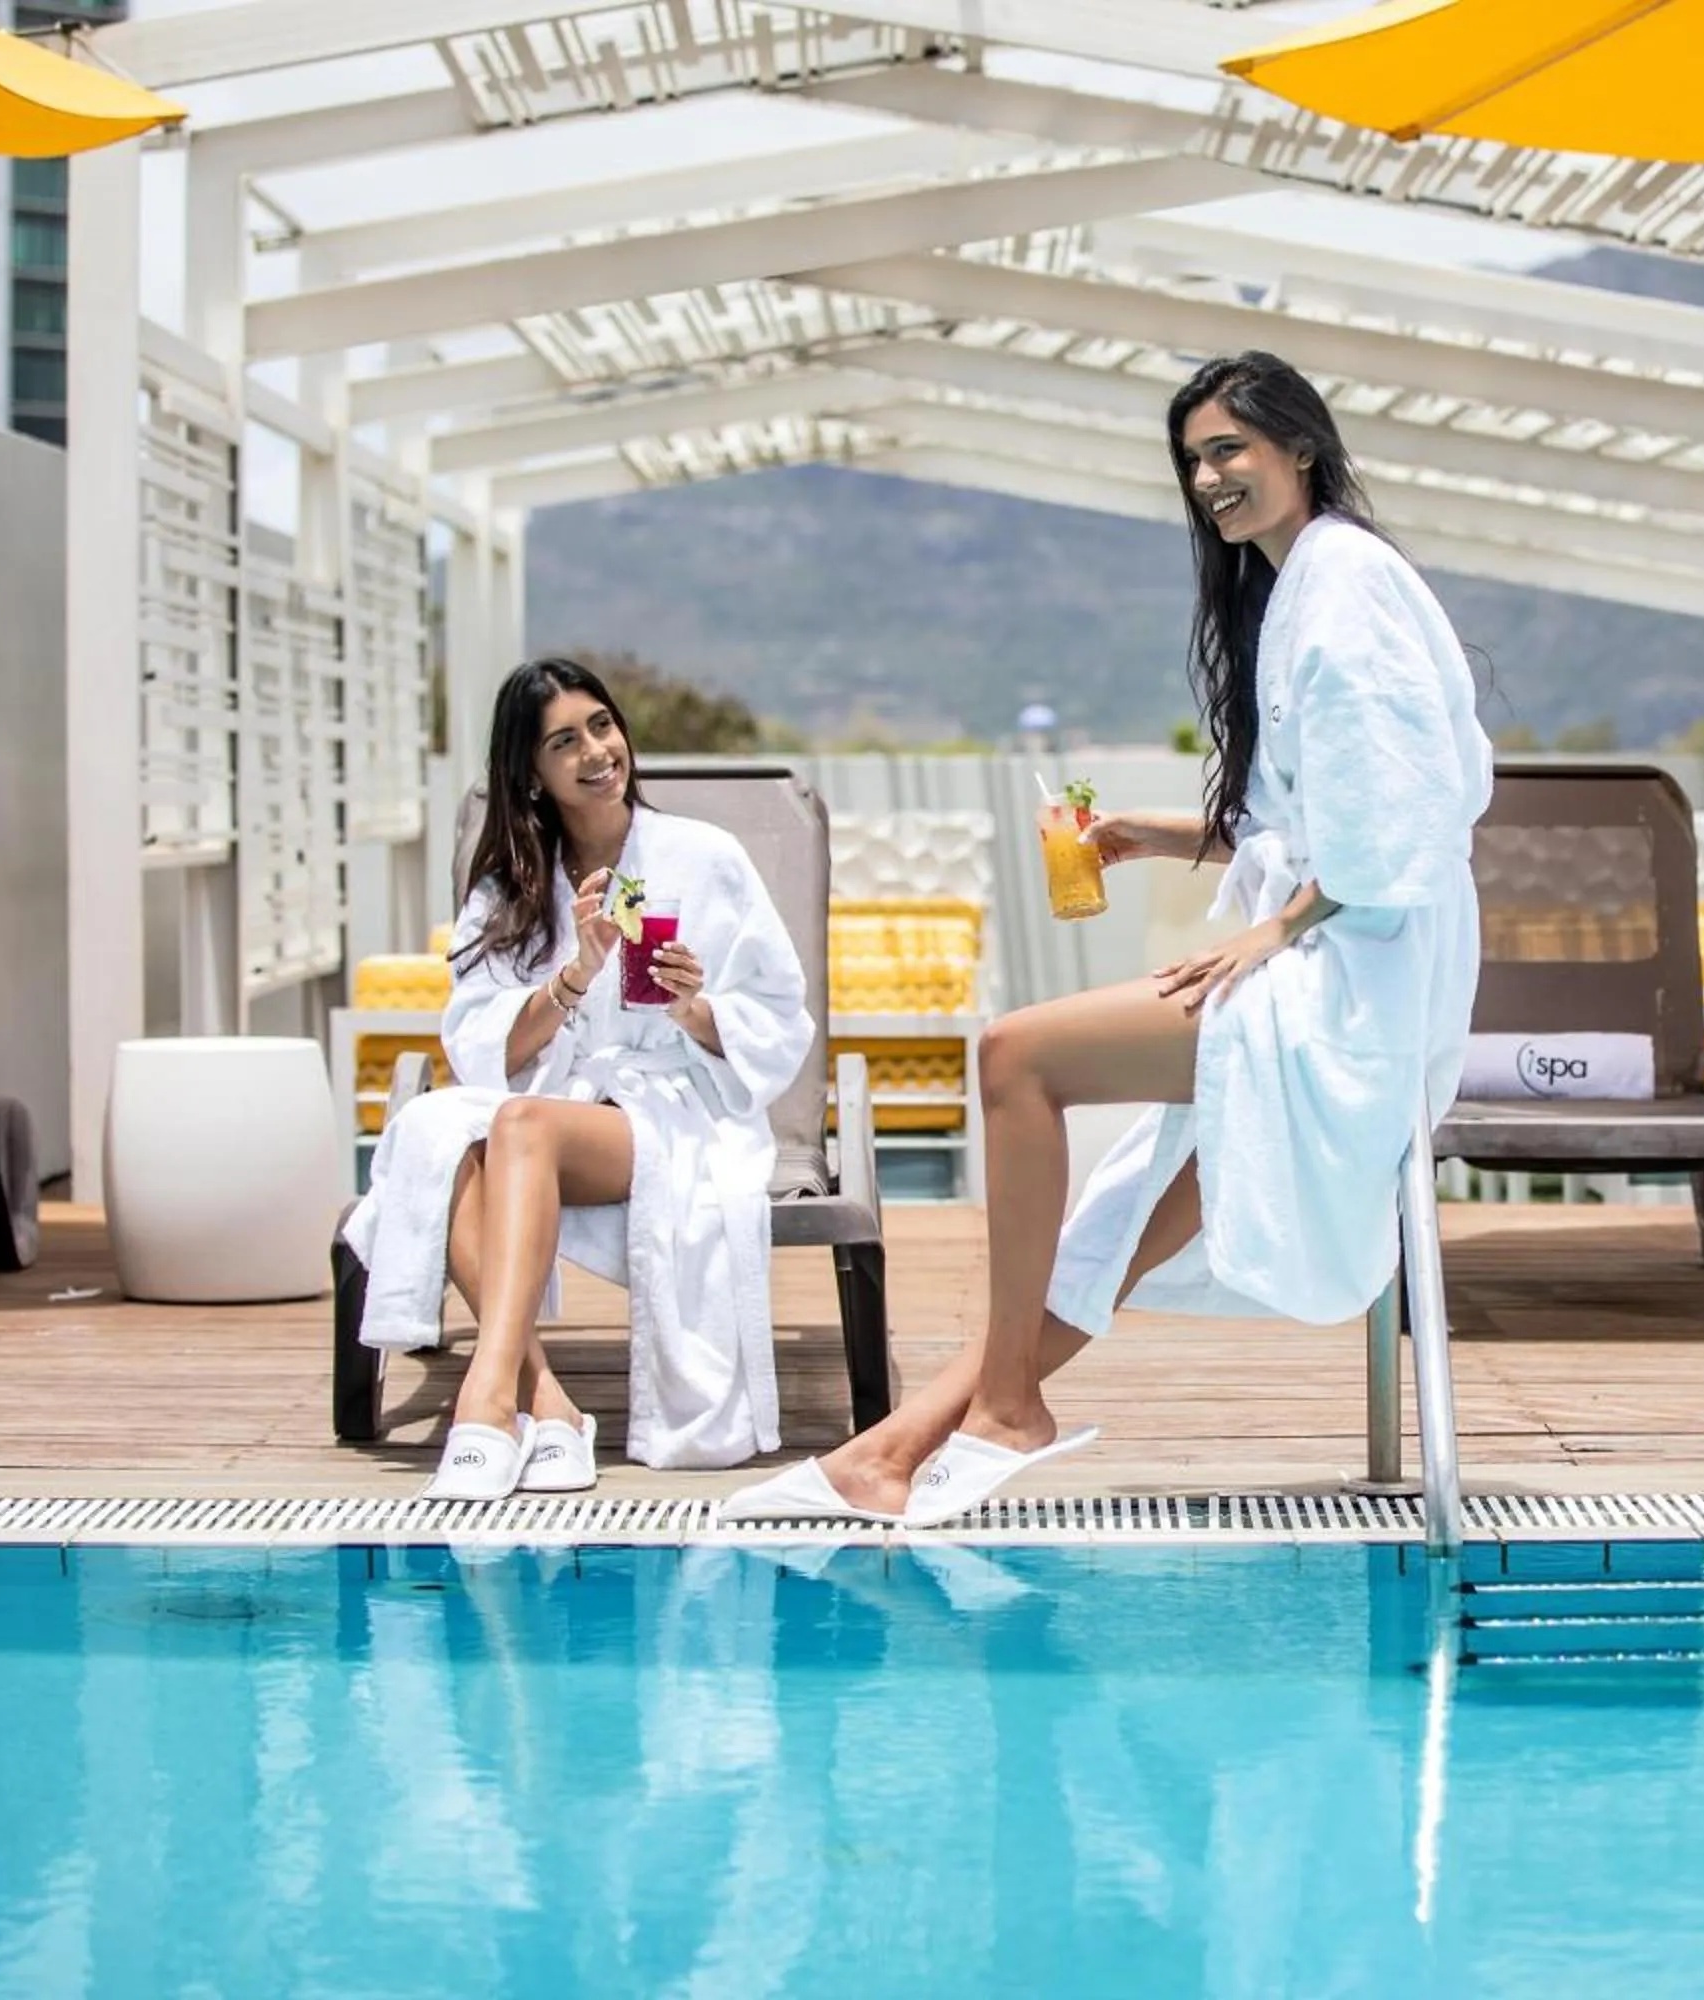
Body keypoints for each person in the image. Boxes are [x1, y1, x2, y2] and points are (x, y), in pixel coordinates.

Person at [730, 350, 1495, 1529]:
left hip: (1356, 979)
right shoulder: (1301, 585)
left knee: (1018, 1056)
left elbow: (1393, 822)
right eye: (1193, 460)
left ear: (1300, 445)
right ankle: (896, 1448)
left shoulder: (1344, 583)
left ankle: (994, 1415)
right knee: (1113, 1229)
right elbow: (1311, 819)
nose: (1208, 478)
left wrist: (1275, 931)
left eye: (1229, 449)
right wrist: (1154, 834)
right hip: (1329, 951)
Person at [340, 657, 814, 1501]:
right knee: (442, 1134)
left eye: (602, 725)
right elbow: (480, 1044)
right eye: (565, 741)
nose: (597, 751)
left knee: (516, 1126)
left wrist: (695, 1007)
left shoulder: (705, 858)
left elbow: (780, 1018)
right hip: (560, 1100)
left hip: (674, 1109)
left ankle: (486, 1403)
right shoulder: (508, 889)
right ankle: (549, 1406)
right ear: (530, 772)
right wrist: (574, 974)